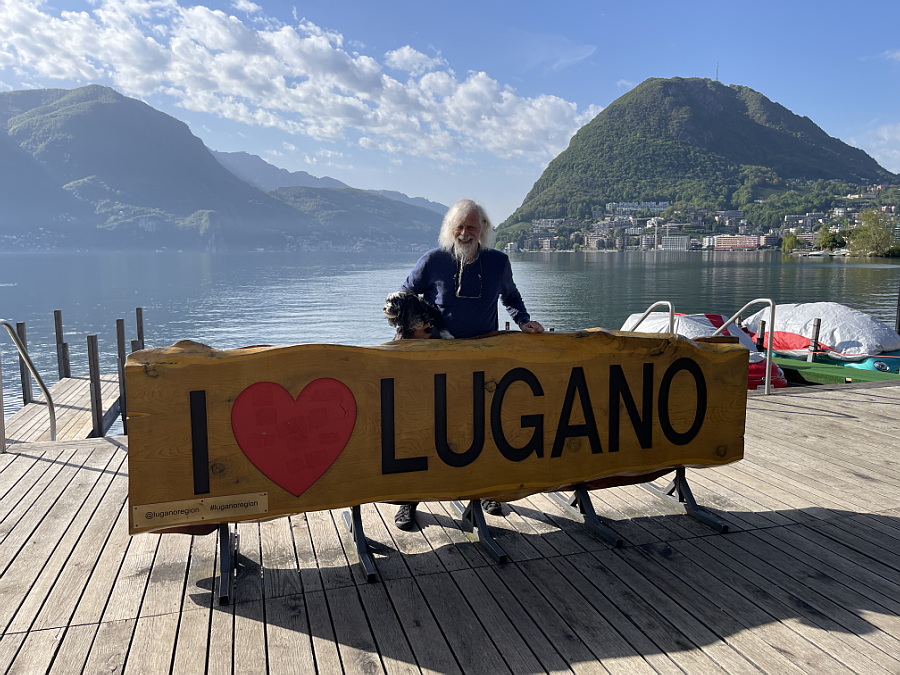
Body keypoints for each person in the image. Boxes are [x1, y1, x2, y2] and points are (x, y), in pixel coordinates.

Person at [391, 198, 544, 531]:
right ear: (451, 229)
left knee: (485, 429)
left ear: (483, 230)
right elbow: (405, 294)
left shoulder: (498, 262)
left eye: (471, 227)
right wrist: (415, 328)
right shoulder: (434, 260)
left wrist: (524, 320)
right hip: (435, 360)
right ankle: (409, 500)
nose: (464, 233)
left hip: (481, 360)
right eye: (459, 227)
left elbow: (511, 296)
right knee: (423, 429)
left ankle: (486, 492)